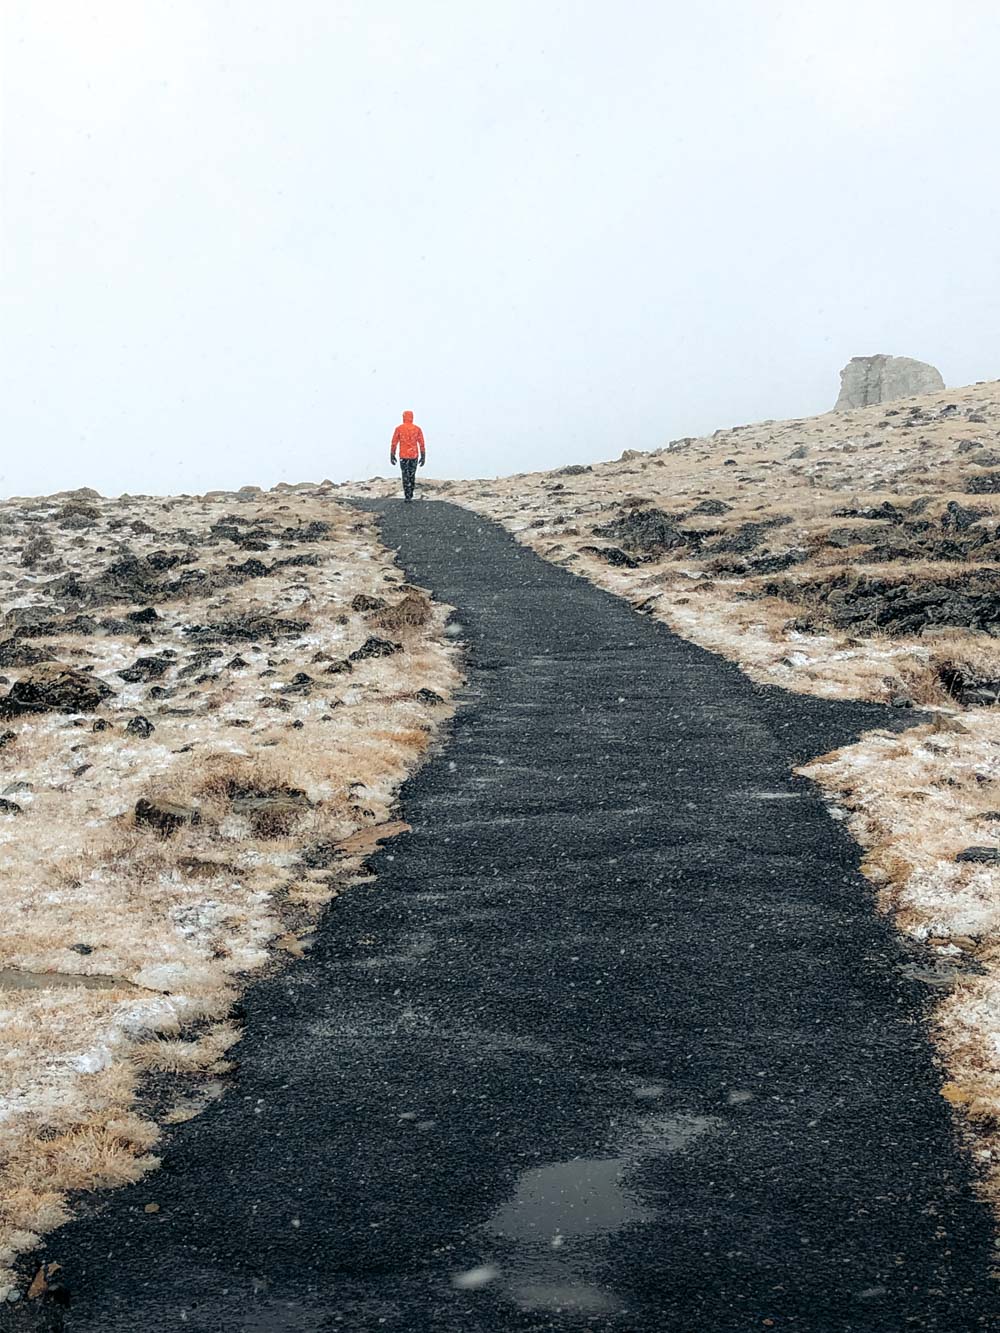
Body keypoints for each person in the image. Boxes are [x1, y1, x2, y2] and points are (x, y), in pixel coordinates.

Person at [390, 410, 426, 502]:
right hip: (414, 455)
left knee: (405, 475)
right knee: (412, 475)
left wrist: (392, 454)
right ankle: (410, 493)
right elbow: (421, 443)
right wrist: (423, 455)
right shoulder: (417, 429)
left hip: (403, 456)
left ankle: (407, 495)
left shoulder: (399, 428)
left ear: (403, 417)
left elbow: (394, 442)